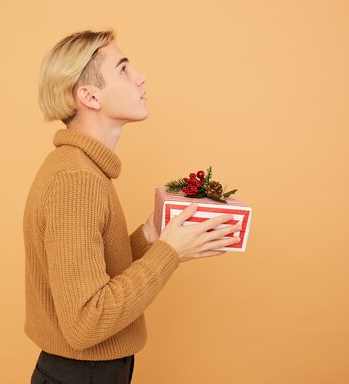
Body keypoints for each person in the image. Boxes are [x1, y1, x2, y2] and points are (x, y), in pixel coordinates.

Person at [23, 30, 242, 384]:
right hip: (83, 376)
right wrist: (170, 252)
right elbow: (85, 322)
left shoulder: (80, 168)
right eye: (123, 69)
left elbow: (97, 276)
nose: (141, 77)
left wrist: (149, 237)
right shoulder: (77, 180)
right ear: (89, 95)